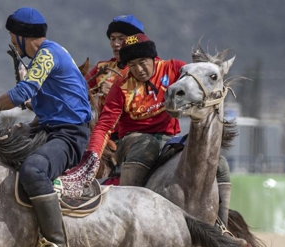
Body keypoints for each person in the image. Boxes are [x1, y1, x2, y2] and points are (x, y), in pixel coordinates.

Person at [64, 33, 231, 224]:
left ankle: (223, 227)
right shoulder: (121, 86)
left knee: (219, 161)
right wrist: (91, 157)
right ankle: (126, 216)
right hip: (133, 141)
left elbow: (198, 79)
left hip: (171, 140)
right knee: (148, 144)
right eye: (132, 64)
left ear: (153, 58)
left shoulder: (173, 68)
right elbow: (104, 126)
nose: (139, 69)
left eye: (143, 62)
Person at [0, 7, 92, 247]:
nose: (11, 42)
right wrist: (27, 127)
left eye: (12, 36)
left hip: (69, 136)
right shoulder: (48, 55)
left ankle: (57, 243)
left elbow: (22, 93)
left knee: (33, 170)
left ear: (22, 37)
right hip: (48, 129)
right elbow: (47, 105)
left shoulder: (47, 54)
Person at [85, 15, 144, 114]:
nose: (116, 44)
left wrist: (115, 94)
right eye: (112, 39)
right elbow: (78, 92)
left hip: (138, 127)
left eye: (121, 39)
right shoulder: (102, 68)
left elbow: (151, 101)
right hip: (105, 127)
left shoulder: (149, 68)